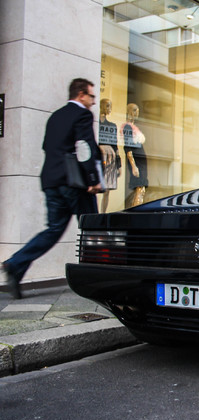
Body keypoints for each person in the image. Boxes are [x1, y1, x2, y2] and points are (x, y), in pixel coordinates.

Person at [2, 78, 103, 299]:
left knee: (53, 230)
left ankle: (15, 264)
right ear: (81, 95)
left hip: (51, 181)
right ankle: (98, 282)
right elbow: (85, 146)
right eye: (92, 96)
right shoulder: (83, 115)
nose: (94, 102)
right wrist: (93, 179)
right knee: (92, 230)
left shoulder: (55, 116)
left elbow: (48, 146)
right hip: (75, 183)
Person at [122, 103, 148, 207]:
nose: (136, 112)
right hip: (137, 163)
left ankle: (135, 210)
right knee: (139, 188)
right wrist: (133, 166)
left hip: (140, 162)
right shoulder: (127, 127)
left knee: (141, 189)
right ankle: (136, 211)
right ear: (128, 112)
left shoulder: (134, 127)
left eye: (137, 110)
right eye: (134, 110)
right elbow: (128, 148)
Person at [98, 98, 120, 212]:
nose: (109, 109)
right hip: (99, 158)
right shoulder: (95, 124)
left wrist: (119, 165)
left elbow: (115, 146)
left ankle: (103, 213)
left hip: (110, 159)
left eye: (110, 106)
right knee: (97, 187)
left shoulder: (112, 126)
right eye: (107, 106)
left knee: (107, 191)